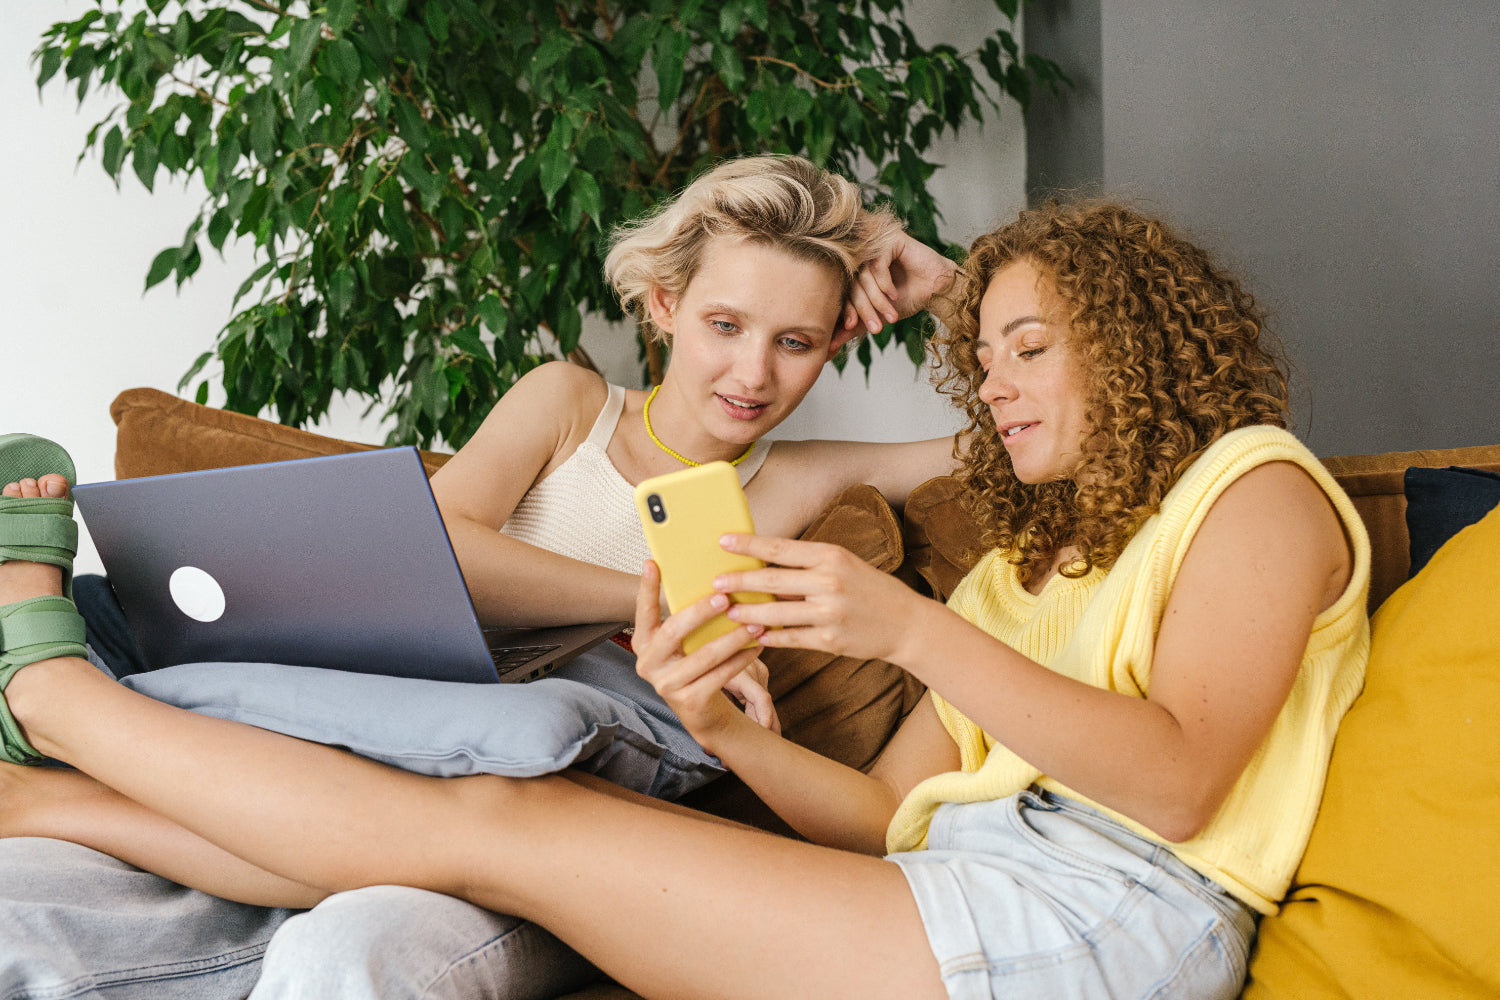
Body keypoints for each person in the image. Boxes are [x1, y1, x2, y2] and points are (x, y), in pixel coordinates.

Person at [0, 199, 1372, 1000]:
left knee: (503, 820)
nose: (995, 385)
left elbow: (1185, 784)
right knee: (490, 822)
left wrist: (907, 626)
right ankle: (52, 787)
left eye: (1029, 350)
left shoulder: (1253, 485)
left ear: (1132, 345)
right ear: (663, 310)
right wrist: (725, 728)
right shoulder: (1031, 566)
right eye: (985, 356)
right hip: (969, 878)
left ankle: (56, 702)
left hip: (1107, 918)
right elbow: (891, 817)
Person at [0, 154, 960, 1000]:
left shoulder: (802, 478)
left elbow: (1024, 430)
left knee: (387, 898)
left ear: (836, 341)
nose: (753, 372)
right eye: (724, 324)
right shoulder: (571, 404)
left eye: (795, 341)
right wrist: (634, 595)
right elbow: (441, 544)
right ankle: (66, 715)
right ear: (663, 306)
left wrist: (949, 287)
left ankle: (62, 745)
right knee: (124, 623)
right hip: (419, 693)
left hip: (566, 760)